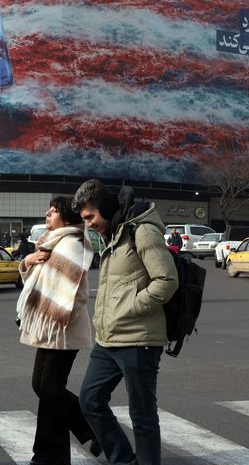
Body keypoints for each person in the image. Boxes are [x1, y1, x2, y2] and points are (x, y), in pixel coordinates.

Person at [71, 179, 177, 465]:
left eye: (90, 216)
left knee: (142, 414)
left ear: (105, 208)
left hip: (139, 340)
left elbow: (166, 280)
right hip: (108, 340)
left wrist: (132, 307)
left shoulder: (141, 231)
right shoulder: (113, 234)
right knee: (90, 400)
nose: (89, 224)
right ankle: (123, 459)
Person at [16, 197, 99, 465]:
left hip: (62, 328)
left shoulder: (73, 244)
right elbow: (40, 284)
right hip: (49, 326)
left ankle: (50, 455)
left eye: (52, 211)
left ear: (65, 217)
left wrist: (58, 319)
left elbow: (74, 293)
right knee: (41, 386)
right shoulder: (52, 243)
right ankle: (93, 429)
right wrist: (27, 262)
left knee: (50, 388)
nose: (47, 215)